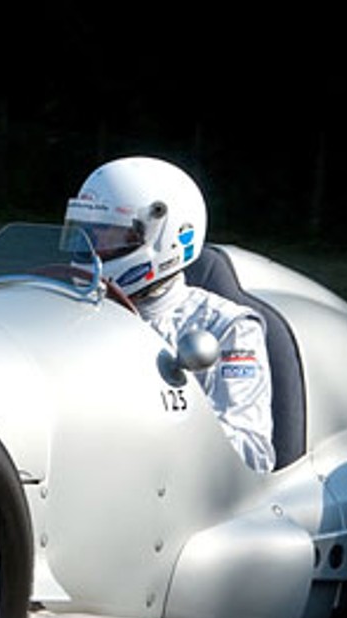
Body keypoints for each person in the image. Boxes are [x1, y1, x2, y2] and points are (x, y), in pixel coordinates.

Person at [65, 156, 275, 473]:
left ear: (169, 237)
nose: (93, 246)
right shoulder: (69, 309)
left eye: (110, 233)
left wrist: (146, 435)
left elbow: (252, 454)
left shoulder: (226, 328)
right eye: (87, 231)